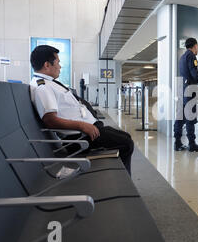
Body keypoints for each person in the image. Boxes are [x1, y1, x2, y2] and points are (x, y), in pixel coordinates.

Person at [29, 45, 134, 175]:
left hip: (88, 130)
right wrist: (82, 125)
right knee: (127, 143)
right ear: (47, 65)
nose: (60, 66)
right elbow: (50, 120)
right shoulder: (42, 87)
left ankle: (123, 178)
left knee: (126, 137)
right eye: (58, 62)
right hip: (80, 138)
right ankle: (123, 182)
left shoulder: (49, 83)